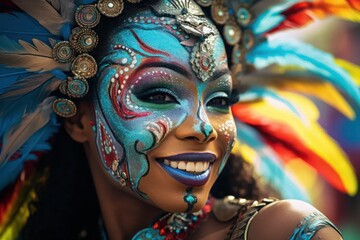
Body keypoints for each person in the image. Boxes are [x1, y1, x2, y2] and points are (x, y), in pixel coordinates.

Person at [0, 0, 357, 239]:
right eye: (158, 95)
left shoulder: (283, 232)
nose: (203, 127)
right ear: (79, 121)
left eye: (219, 100)